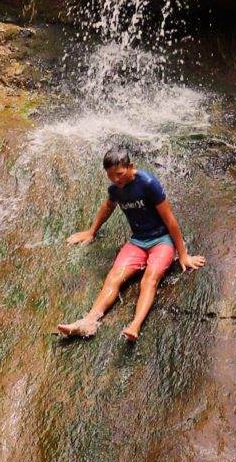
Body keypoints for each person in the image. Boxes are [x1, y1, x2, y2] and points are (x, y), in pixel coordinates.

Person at [55, 147, 205, 344]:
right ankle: (88, 322)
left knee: (150, 279)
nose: (116, 180)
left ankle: (135, 325)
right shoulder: (115, 189)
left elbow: (170, 220)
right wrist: (91, 231)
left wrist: (183, 254)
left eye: (119, 174)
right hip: (138, 241)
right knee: (113, 278)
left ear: (130, 166)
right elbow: (108, 207)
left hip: (161, 241)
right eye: (110, 176)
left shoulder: (148, 183)